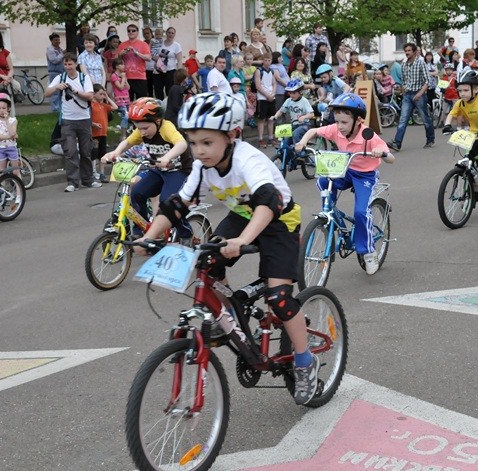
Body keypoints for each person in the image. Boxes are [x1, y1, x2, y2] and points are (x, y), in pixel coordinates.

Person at [137, 91, 320, 405]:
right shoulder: (202, 166)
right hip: (243, 216)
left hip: (278, 219)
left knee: (279, 297)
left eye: (207, 142)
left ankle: (305, 361)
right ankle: (232, 316)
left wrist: (242, 241)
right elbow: (178, 205)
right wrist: (148, 236)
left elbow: (269, 202)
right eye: (193, 143)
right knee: (208, 264)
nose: (199, 151)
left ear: (232, 135)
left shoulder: (248, 160)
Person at [295, 93, 394, 275]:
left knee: (361, 212)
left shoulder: (368, 135)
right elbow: (313, 131)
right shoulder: (336, 129)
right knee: (323, 180)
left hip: (365, 176)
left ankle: (369, 252)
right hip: (345, 170)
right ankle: (329, 214)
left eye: (344, 122)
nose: (339, 126)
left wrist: (381, 152)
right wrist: (302, 142)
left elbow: (391, 158)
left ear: (358, 120)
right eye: (337, 121)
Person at [100, 98, 192, 240]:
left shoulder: (166, 128)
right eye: (139, 128)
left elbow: (182, 144)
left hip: (178, 171)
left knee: (167, 202)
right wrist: (116, 152)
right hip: (159, 170)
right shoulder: (142, 131)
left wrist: (167, 157)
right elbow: (127, 142)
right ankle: (141, 229)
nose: (142, 133)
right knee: (137, 193)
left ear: (157, 121)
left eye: (145, 128)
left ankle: (186, 234)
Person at [45, 52, 99, 192]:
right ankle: (73, 182)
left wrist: (76, 92)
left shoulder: (84, 77)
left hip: (84, 119)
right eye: (65, 64)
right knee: (70, 151)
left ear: (76, 64)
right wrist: (57, 87)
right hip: (68, 120)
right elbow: (47, 93)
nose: (68, 67)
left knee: (86, 151)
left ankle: (88, 179)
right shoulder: (60, 77)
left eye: (70, 64)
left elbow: (90, 96)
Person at [387, 43, 435, 151]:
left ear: (414, 52)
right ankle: (397, 143)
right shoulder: (404, 65)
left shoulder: (421, 63)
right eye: (406, 51)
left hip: (419, 94)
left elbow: (428, 81)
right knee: (403, 119)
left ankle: (430, 139)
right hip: (408, 95)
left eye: (409, 50)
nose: (407, 52)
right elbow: (404, 80)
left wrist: (420, 93)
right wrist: (403, 90)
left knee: (425, 118)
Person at [269, 79, 314, 157]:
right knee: (285, 139)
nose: (291, 95)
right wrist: (275, 116)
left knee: (296, 134)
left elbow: (311, 114)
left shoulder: (304, 101)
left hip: (304, 125)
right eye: (290, 93)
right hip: (294, 125)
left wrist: (304, 117)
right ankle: (288, 157)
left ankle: (300, 152)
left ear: (300, 92)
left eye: (294, 93)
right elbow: (281, 110)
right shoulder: (288, 101)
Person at [90, 84, 117, 183]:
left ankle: (102, 173)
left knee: (102, 154)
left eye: (103, 94)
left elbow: (115, 107)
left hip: (103, 133)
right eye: (100, 94)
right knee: (94, 154)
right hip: (94, 134)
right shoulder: (91, 105)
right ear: (94, 94)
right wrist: (93, 124)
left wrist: (107, 98)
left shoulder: (103, 105)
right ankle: (93, 172)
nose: (102, 96)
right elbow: (87, 119)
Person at [117, 24, 152, 100]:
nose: (131, 32)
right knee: (127, 101)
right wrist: (120, 54)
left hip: (140, 76)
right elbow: (117, 61)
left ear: (137, 32)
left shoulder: (143, 44)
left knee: (141, 101)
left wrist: (136, 53)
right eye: (129, 31)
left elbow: (149, 58)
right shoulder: (122, 45)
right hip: (126, 77)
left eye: (133, 30)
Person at [0, 92, 20, 178]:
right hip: (0, 148)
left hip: (11, 147)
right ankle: (2, 186)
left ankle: (19, 185)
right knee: (1, 170)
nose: (1, 110)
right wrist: (11, 137)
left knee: (15, 170)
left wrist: (7, 121)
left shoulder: (13, 120)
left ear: (9, 108)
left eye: (4, 108)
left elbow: (12, 133)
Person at [254, 52, 277, 148]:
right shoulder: (259, 71)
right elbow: (258, 86)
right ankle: (260, 139)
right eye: (265, 60)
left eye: (269, 60)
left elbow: (274, 83)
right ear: (263, 61)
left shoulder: (271, 71)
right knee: (261, 119)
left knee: (271, 119)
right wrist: (267, 95)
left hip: (271, 96)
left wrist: (273, 94)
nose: (267, 62)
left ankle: (271, 137)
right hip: (262, 98)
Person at [154, 27, 182, 99]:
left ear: (174, 35)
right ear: (166, 33)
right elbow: (153, 53)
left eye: (172, 33)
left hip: (170, 71)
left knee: (169, 91)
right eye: (169, 32)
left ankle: (169, 105)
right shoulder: (160, 43)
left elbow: (179, 60)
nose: (170, 34)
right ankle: (160, 105)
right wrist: (155, 58)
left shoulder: (176, 46)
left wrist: (179, 73)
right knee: (158, 91)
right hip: (159, 71)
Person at [111, 58, 130, 140]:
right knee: (125, 117)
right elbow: (120, 87)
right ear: (117, 66)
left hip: (126, 99)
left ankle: (125, 132)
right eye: (122, 64)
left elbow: (128, 87)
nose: (124, 66)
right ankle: (123, 135)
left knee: (127, 116)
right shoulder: (114, 76)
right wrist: (123, 78)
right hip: (120, 100)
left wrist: (125, 79)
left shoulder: (123, 75)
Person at [47, 33, 65, 113]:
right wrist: (62, 54)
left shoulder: (60, 49)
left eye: (58, 40)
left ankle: (60, 108)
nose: (58, 41)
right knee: (55, 91)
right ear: (51, 41)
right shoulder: (50, 50)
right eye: (56, 40)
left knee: (61, 91)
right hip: (54, 72)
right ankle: (55, 109)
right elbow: (54, 60)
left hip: (61, 72)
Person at [141, 27, 155, 97]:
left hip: (155, 69)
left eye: (148, 33)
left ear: (151, 34)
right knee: (148, 88)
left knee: (157, 87)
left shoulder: (156, 42)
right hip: (146, 69)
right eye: (144, 34)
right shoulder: (142, 44)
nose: (146, 35)